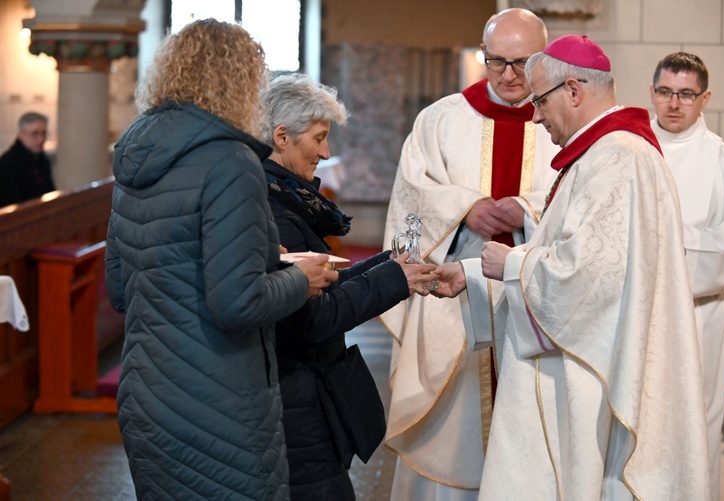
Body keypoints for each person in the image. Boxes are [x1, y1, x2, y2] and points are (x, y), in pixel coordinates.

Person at [433, 34, 711, 500]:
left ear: (575, 91)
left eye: (539, 100)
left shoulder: (620, 157)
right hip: (578, 358)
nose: (535, 115)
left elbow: (589, 280)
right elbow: (569, 253)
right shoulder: (603, 154)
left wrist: (512, 264)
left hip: (588, 374)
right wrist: (474, 274)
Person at [104, 19, 338, 500]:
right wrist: (300, 277)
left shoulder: (135, 155)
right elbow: (238, 303)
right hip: (217, 399)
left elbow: (121, 289)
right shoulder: (231, 161)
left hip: (148, 396)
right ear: (239, 81)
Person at [381, 8, 558, 499]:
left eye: (521, 63)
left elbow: (581, 202)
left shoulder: (561, 120)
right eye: (495, 61)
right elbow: (409, 212)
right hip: (451, 306)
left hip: (535, 305)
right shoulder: (440, 120)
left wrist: (524, 213)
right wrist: (463, 210)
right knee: (453, 431)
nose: (506, 75)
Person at [261, 72, 438, 500]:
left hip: (305, 394)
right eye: (319, 138)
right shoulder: (275, 210)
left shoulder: (284, 195)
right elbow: (312, 319)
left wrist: (387, 265)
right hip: (294, 399)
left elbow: (327, 282)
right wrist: (395, 280)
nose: (325, 152)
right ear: (282, 136)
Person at [649, 51, 724, 500]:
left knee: (694, 430)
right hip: (635, 316)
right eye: (666, 92)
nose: (675, 103)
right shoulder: (628, 149)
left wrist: (658, 244)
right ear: (652, 93)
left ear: (704, 98)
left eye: (686, 94)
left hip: (697, 318)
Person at [0, 112, 55, 206]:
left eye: (44, 133)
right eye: (35, 133)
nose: (41, 139)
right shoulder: (8, 164)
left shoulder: (42, 159)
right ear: (21, 134)